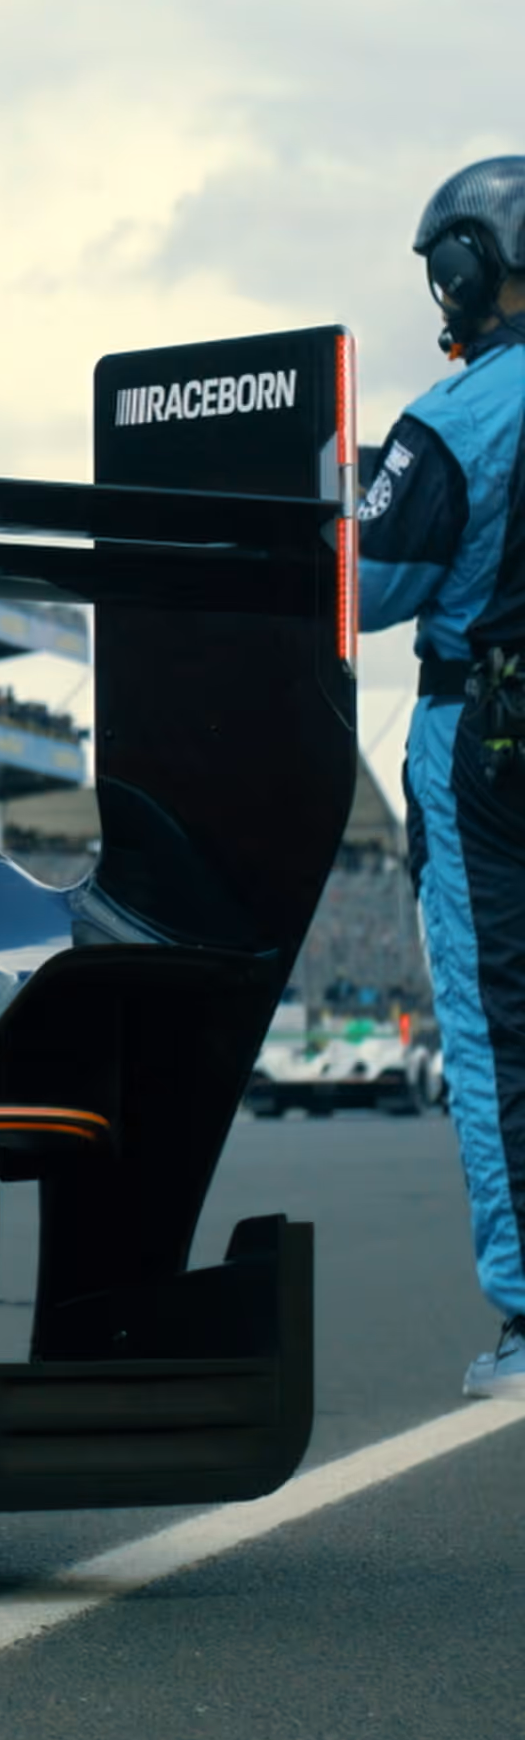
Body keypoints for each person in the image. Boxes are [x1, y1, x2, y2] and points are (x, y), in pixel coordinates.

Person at [357, 154, 525, 1400]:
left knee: (494, 1026)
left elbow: (364, 590)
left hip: (486, 747)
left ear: (471, 266)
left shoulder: (459, 415)